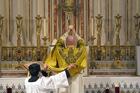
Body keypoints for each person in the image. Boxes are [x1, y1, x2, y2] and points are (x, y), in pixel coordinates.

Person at [44, 25, 87, 93]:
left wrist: (66, 33)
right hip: (76, 78)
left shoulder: (60, 50)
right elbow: (82, 43)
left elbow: (58, 43)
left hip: (63, 77)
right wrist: (75, 33)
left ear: (65, 43)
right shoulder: (80, 50)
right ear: (75, 42)